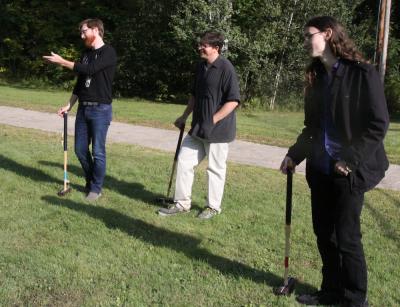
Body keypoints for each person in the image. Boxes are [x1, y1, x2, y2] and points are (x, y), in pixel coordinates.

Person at [280, 16, 389, 307]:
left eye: (308, 36)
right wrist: (294, 154)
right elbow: (312, 128)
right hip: (321, 168)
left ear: (327, 34)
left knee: (347, 237)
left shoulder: (362, 73)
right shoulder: (315, 76)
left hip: (351, 170)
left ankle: (354, 300)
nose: (305, 42)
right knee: (324, 234)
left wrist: (350, 159)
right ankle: (330, 292)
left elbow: (378, 124)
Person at [158, 31, 240, 219]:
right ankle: (181, 203)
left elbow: (233, 100)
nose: (199, 47)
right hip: (197, 128)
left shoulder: (226, 68)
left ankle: (213, 207)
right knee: (185, 161)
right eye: (200, 44)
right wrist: (184, 116)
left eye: (204, 45)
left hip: (218, 130)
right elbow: (194, 95)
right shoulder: (201, 67)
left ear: (216, 48)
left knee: (215, 169)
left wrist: (213, 119)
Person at [43, 18, 117, 201]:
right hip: (83, 109)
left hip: (101, 109)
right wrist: (69, 104)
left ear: (96, 30)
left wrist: (62, 62)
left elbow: (91, 70)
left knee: (98, 151)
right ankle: (91, 180)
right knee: (79, 149)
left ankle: (95, 188)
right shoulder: (86, 53)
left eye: (84, 31)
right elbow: (81, 83)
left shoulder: (109, 52)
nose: (82, 35)